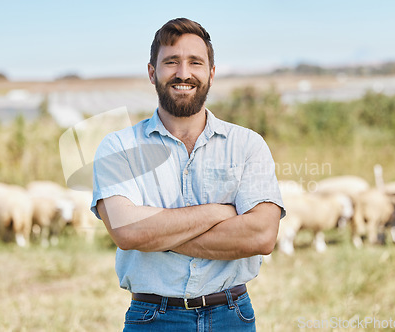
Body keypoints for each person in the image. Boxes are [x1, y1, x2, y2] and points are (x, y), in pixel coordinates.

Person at [91, 17, 285, 331]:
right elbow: (127, 233)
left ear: (211, 73)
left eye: (195, 62)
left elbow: (262, 236)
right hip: (153, 318)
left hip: (232, 317)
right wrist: (219, 212)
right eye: (171, 62)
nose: (184, 73)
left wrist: (155, 232)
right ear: (152, 72)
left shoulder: (247, 144)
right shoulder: (118, 147)